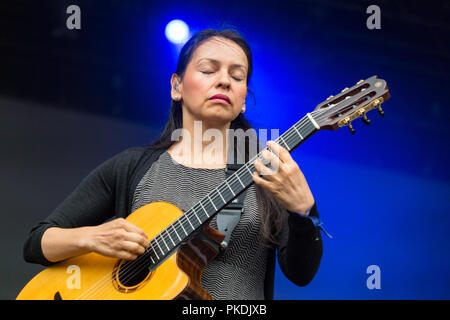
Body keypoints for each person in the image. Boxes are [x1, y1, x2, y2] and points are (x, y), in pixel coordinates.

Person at [23, 28, 324, 300]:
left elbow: (301, 274)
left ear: (244, 98)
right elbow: (37, 243)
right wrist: (90, 237)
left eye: (237, 76)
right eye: (208, 70)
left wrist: (304, 212)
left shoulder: (268, 173)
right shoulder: (132, 166)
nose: (224, 80)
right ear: (176, 86)